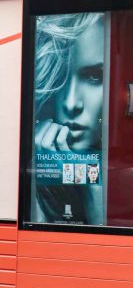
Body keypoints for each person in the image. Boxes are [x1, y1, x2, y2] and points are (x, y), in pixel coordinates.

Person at [33, 12, 106, 225]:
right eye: (58, 78)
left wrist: (90, 185)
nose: (71, 103)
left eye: (94, 77)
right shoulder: (23, 177)